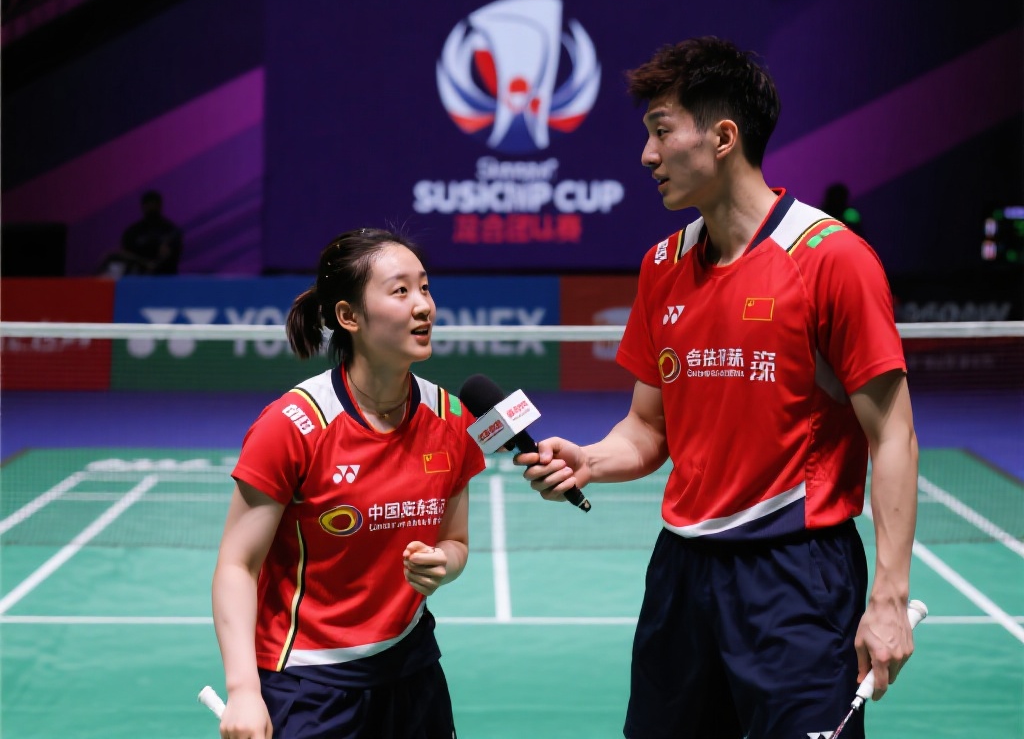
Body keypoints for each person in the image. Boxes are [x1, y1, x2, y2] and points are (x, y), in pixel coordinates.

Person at [519, 37, 919, 739]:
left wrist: (888, 597)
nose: (647, 156)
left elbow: (893, 435)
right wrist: (590, 460)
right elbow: (648, 429)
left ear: (724, 137)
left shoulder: (830, 260)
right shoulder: (662, 265)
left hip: (794, 573)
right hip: (682, 572)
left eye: (661, 131)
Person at [211, 227, 486, 739]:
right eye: (400, 291)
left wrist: (443, 563)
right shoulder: (293, 426)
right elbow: (236, 566)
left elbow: (457, 542)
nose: (423, 306)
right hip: (310, 681)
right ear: (348, 316)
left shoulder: (450, 418)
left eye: (425, 288)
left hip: (411, 668)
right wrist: (243, 689)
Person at [97, 190, 183, 276]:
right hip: (138, 276)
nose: (152, 207)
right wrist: (143, 263)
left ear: (160, 205)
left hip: (165, 276)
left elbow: (175, 254)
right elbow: (126, 254)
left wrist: (166, 255)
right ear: (143, 206)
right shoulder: (133, 232)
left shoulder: (171, 230)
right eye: (149, 204)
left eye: (154, 204)